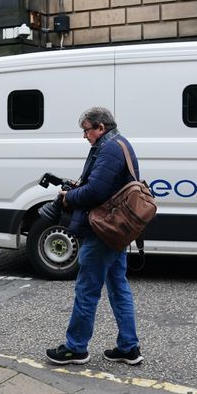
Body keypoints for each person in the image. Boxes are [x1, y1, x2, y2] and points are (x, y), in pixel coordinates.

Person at [45, 106, 143, 366]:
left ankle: (76, 348)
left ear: (101, 127)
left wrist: (69, 196)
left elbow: (96, 192)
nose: (85, 136)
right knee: (118, 287)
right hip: (116, 230)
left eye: (87, 130)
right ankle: (128, 347)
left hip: (103, 231)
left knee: (87, 289)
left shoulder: (109, 148)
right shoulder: (119, 143)